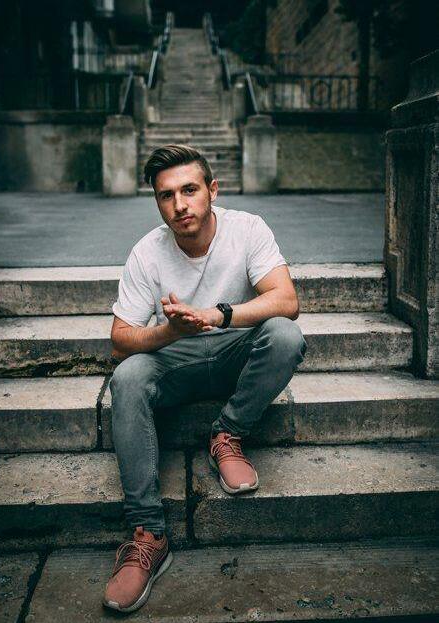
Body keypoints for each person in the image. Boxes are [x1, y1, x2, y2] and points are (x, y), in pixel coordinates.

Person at [103, 144, 307, 612]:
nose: (180, 205)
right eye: (166, 195)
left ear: (213, 190)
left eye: (190, 190)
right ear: (158, 202)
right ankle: (148, 534)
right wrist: (169, 331)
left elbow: (286, 300)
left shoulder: (247, 229)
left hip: (234, 349)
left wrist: (217, 315)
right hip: (177, 358)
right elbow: (119, 340)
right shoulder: (146, 252)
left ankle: (227, 434)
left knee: (284, 335)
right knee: (128, 378)